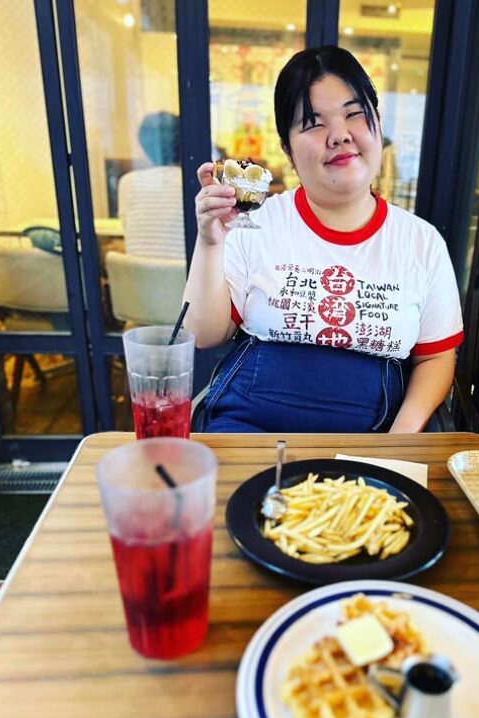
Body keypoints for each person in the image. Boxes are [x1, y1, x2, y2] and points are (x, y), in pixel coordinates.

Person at [183, 46, 464, 434]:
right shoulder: (254, 224)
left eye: (354, 114)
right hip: (250, 430)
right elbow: (204, 334)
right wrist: (211, 242)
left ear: (377, 125)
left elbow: (436, 358)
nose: (339, 135)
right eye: (313, 124)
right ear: (287, 150)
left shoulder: (421, 242)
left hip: (372, 437)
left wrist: (398, 440)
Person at [117, 111, 185, 259]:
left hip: (136, 273)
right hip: (190, 273)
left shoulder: (127, 183)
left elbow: (126, 228)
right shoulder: (194, 182)